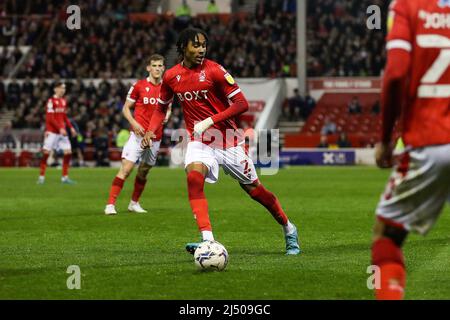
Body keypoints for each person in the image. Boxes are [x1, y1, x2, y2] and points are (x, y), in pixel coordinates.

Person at [141, 28, 300, 255]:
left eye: (204, 45)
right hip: (199, 141)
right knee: (194, 177)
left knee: (254, 190)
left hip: (228, 139)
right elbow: (160, 108)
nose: (201, 49)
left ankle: (288, 228)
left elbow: (241, 104)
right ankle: (208, 240)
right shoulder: (171, 76)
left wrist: (210, 120)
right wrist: (150, 130)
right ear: (183, 47)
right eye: (196, 45)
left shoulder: (214, 70)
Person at [371, 0, 450, 300]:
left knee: (387, 235)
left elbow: (395, 74)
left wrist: (386, 138)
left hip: (432, 139)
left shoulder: (407, 6)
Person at [105, 54, 171, 215]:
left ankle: (134, 203)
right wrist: (134, 123)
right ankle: (110, 204)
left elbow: (167, 108)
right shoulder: (139, 86)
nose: (157, 68)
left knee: (143, 171)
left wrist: (167, 116)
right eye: (154, 65)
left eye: (160, 66)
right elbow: (126, 108)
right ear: (148, 68)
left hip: (155, 137)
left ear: (163, 68)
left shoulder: (167, 88)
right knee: (126, 169)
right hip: (138, 136)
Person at [37, 82, 76, 184]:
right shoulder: (51, 101)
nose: (63, 90)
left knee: (68, 152)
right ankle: (41, 177)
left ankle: (65, 177)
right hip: (52, 132)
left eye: (64, 88)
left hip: (61, 132)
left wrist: (71, 128)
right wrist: (60, 128)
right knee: (46, 153)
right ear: (55, 89)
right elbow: (50, 118)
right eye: (61, 88)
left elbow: (64, 116)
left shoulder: (63, 101)